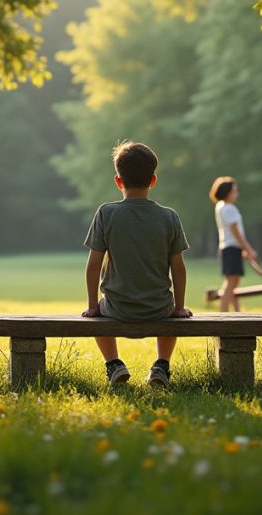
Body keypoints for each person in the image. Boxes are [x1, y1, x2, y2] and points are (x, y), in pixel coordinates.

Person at [82, 141, 191, 388]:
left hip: (116, 307)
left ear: (118, 181)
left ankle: (113, 364)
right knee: (172, 313)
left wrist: (92, 306)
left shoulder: (106, 213)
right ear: (153, 181)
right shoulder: (169, 216)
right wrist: (179, 307)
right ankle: (162, 364)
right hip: (158, 307)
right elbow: (178, 268)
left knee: (97, 317)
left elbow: (93, 266)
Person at [210, 176, 258, 313]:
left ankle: (237, 312)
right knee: (231, 283)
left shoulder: (220, 206)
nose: (237, 193)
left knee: (233, 282)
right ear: (228, 192)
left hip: (228, 248)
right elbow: (235, 231)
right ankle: (223, 313)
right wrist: (248, 249)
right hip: (231, 248)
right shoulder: (229, 208)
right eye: (235, 190)